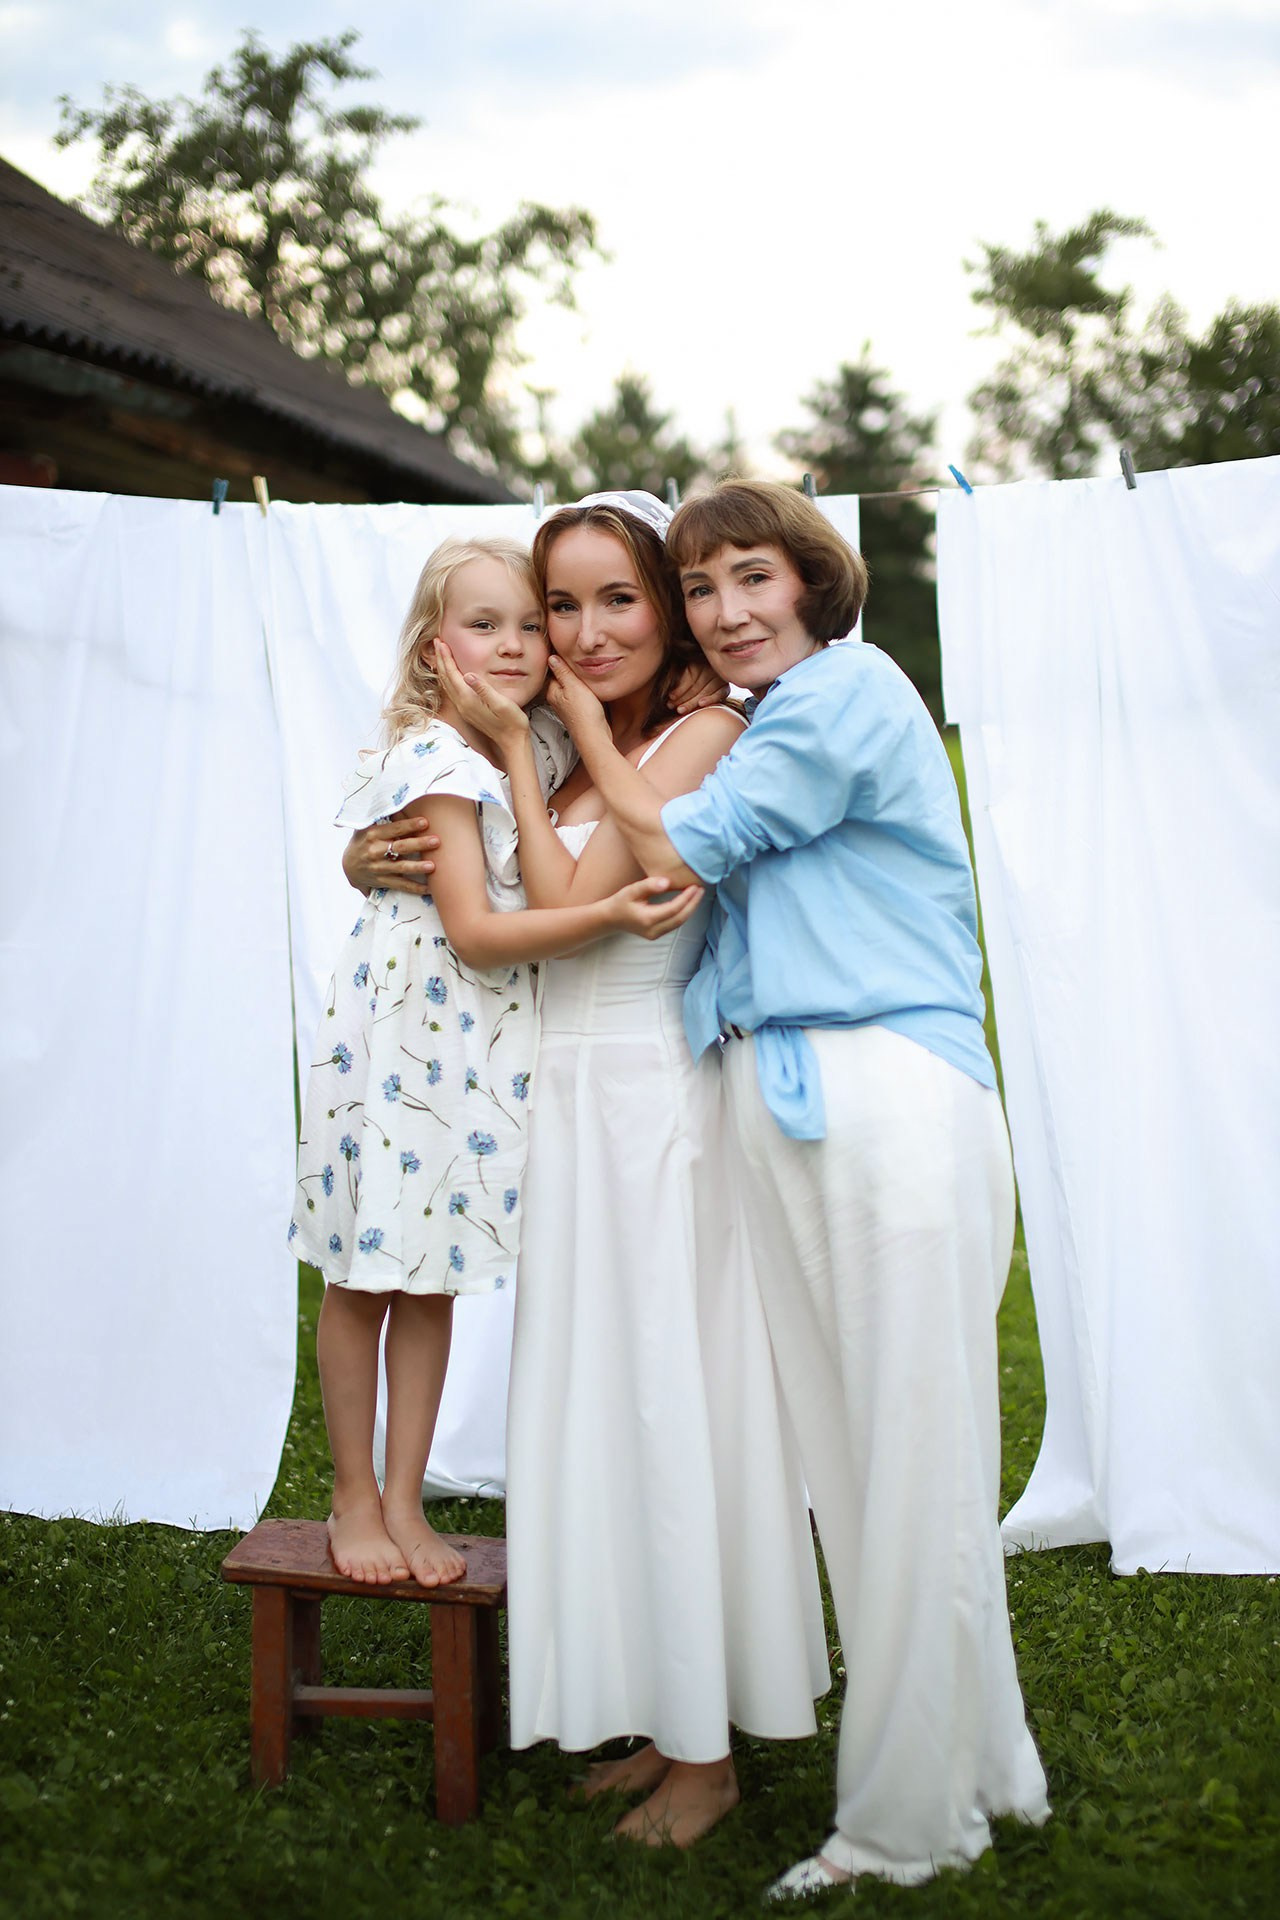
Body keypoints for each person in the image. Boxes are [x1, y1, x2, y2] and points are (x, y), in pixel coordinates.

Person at [545, 480, 1050, 1896]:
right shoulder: (775, 716)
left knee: (909, 1467)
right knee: (868, 1471)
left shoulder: (844, 692)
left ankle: (902, 1828)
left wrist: (586, 726)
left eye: (750, 579)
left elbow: (675, 848)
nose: (727, 612)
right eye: (702, 590)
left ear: (813, 582)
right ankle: (987, 1765)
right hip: (791, 1093)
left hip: (884, 1085)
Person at [347, 494, 829, 1847]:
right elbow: (466, 886)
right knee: (603, 1414)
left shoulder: (699, 731)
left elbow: (555, 914)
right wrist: (368, 849)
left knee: (672, 1408)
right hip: (562, 1106)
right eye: (562, 605)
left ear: (665, 609)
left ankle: (710, 1755)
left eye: (618, 599)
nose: (583, 630)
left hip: (643, 1109)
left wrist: (510, 745)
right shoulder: (583, 741)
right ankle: (647, 1705)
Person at [291, 536, 701, 1591]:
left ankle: (405, 1496)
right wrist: (608, 914)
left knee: (427, 1283)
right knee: (364, 1277)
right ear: (437, 649)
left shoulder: (533, 748)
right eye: (485, 625)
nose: (517, 643)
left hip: (462, 1053)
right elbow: (472, 930)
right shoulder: (440, 760)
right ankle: (350, 1493)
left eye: (531, 623)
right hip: (400, 1051)